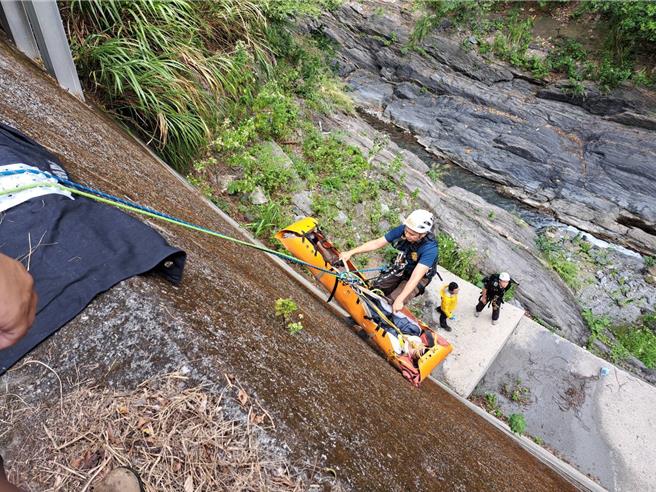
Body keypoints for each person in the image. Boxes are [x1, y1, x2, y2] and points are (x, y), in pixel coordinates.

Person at [339, 209, 438, 313]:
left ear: (423, 234)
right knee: (378, 288)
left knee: (390, 301)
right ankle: (361, 311)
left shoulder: (430, 249)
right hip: (404, 266)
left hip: (420, 277)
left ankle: (377, 318)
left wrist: (400, 299)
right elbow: (377, 243)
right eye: (407, 231)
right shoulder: (404, 230)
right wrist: (351, 252)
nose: (407, 235)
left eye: (412, 234)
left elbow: (415, 277)